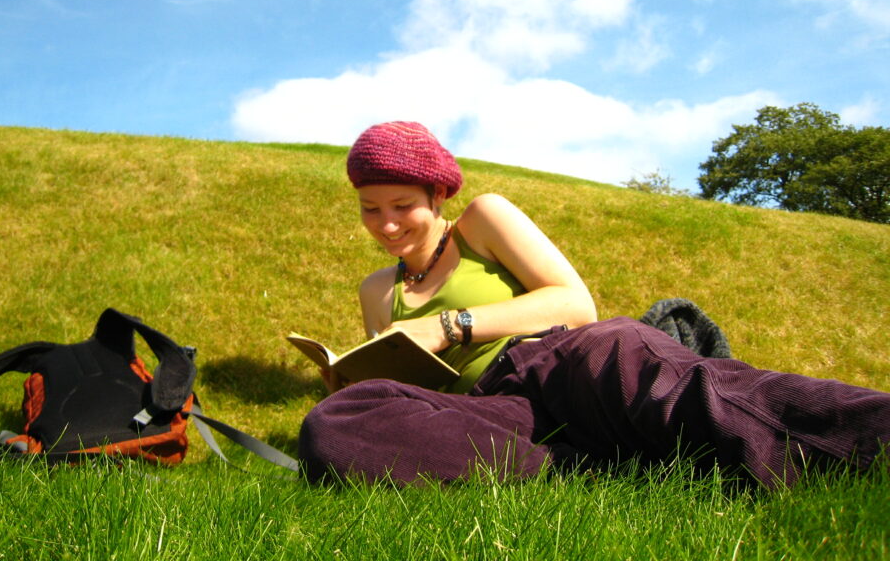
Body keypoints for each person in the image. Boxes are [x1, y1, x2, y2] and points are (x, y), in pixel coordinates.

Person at [298, 121, 890, 487]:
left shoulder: (483, 219)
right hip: (494, 412)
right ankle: (594, 467)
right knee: (334, 425)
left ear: (438, 192)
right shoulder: (377, 291)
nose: (388, 224)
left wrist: (451, 326)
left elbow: (576, 303)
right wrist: (347, 380)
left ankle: (865, 437)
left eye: (402, 204)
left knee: (646, 366)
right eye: (370, 209)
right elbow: (403, 384)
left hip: (557, 361)